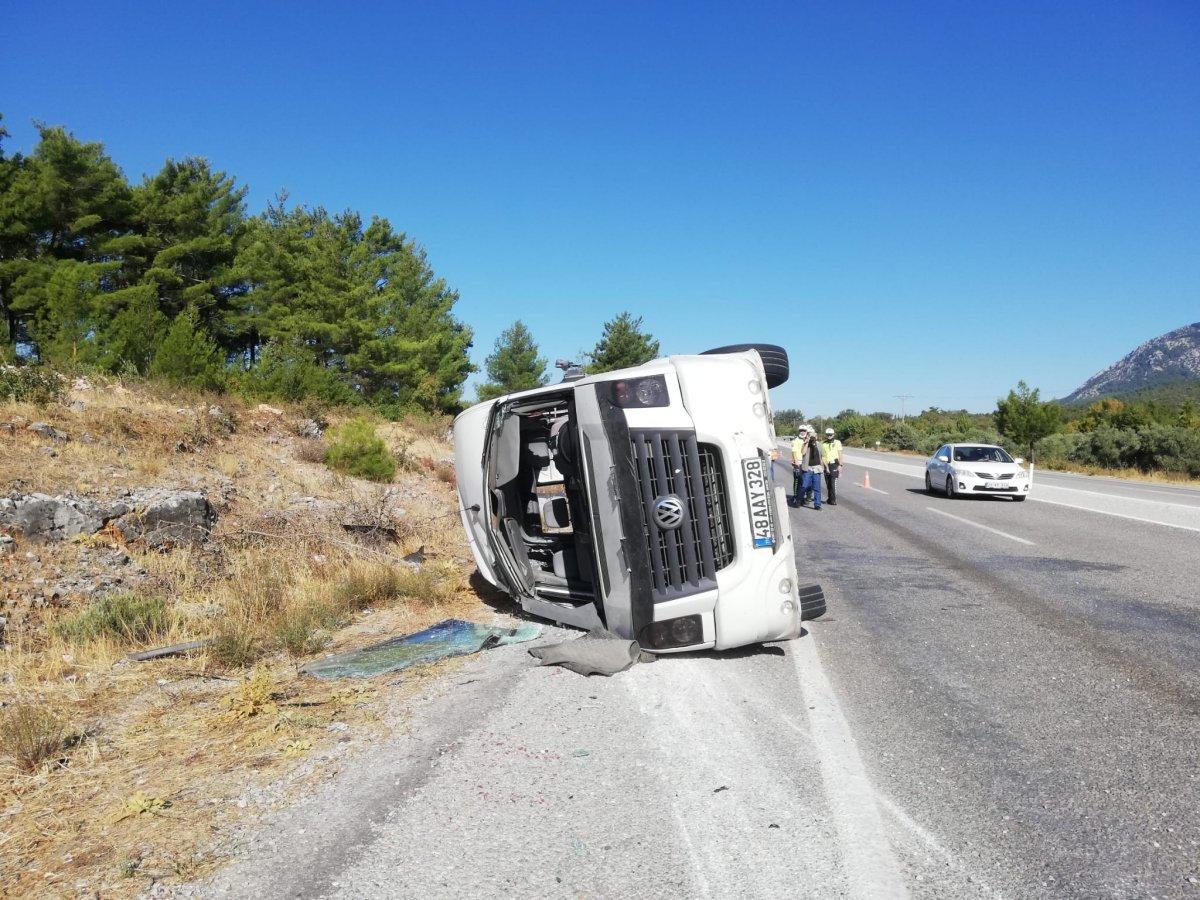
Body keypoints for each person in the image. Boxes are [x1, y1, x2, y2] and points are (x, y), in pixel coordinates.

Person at [791, 425, 823, 510]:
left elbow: (822, 456)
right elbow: (803, 452)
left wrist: (824, 467)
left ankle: (817, 505)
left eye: (813, 435)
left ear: (816, 436)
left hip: (817, 469)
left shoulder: (819, 445)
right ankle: (798, 500)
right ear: (807, 435)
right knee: (803, 486)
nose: (812, 437)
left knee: (817, 488)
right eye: (809, 435)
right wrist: (807, 442)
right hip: (808, 468)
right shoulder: (805, 444)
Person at [820, 427, 844, 506]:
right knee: (828, 483)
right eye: (828, 435)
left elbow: (840, 454)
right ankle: (830, 498)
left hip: (834, 464)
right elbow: (822, 456)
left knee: (833, 482)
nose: (829, 436)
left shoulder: (837, 442)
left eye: (830, 435)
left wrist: (840, 465)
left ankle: (833, 500)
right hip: (826, 464)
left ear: (833, 435)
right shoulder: (823, 443)